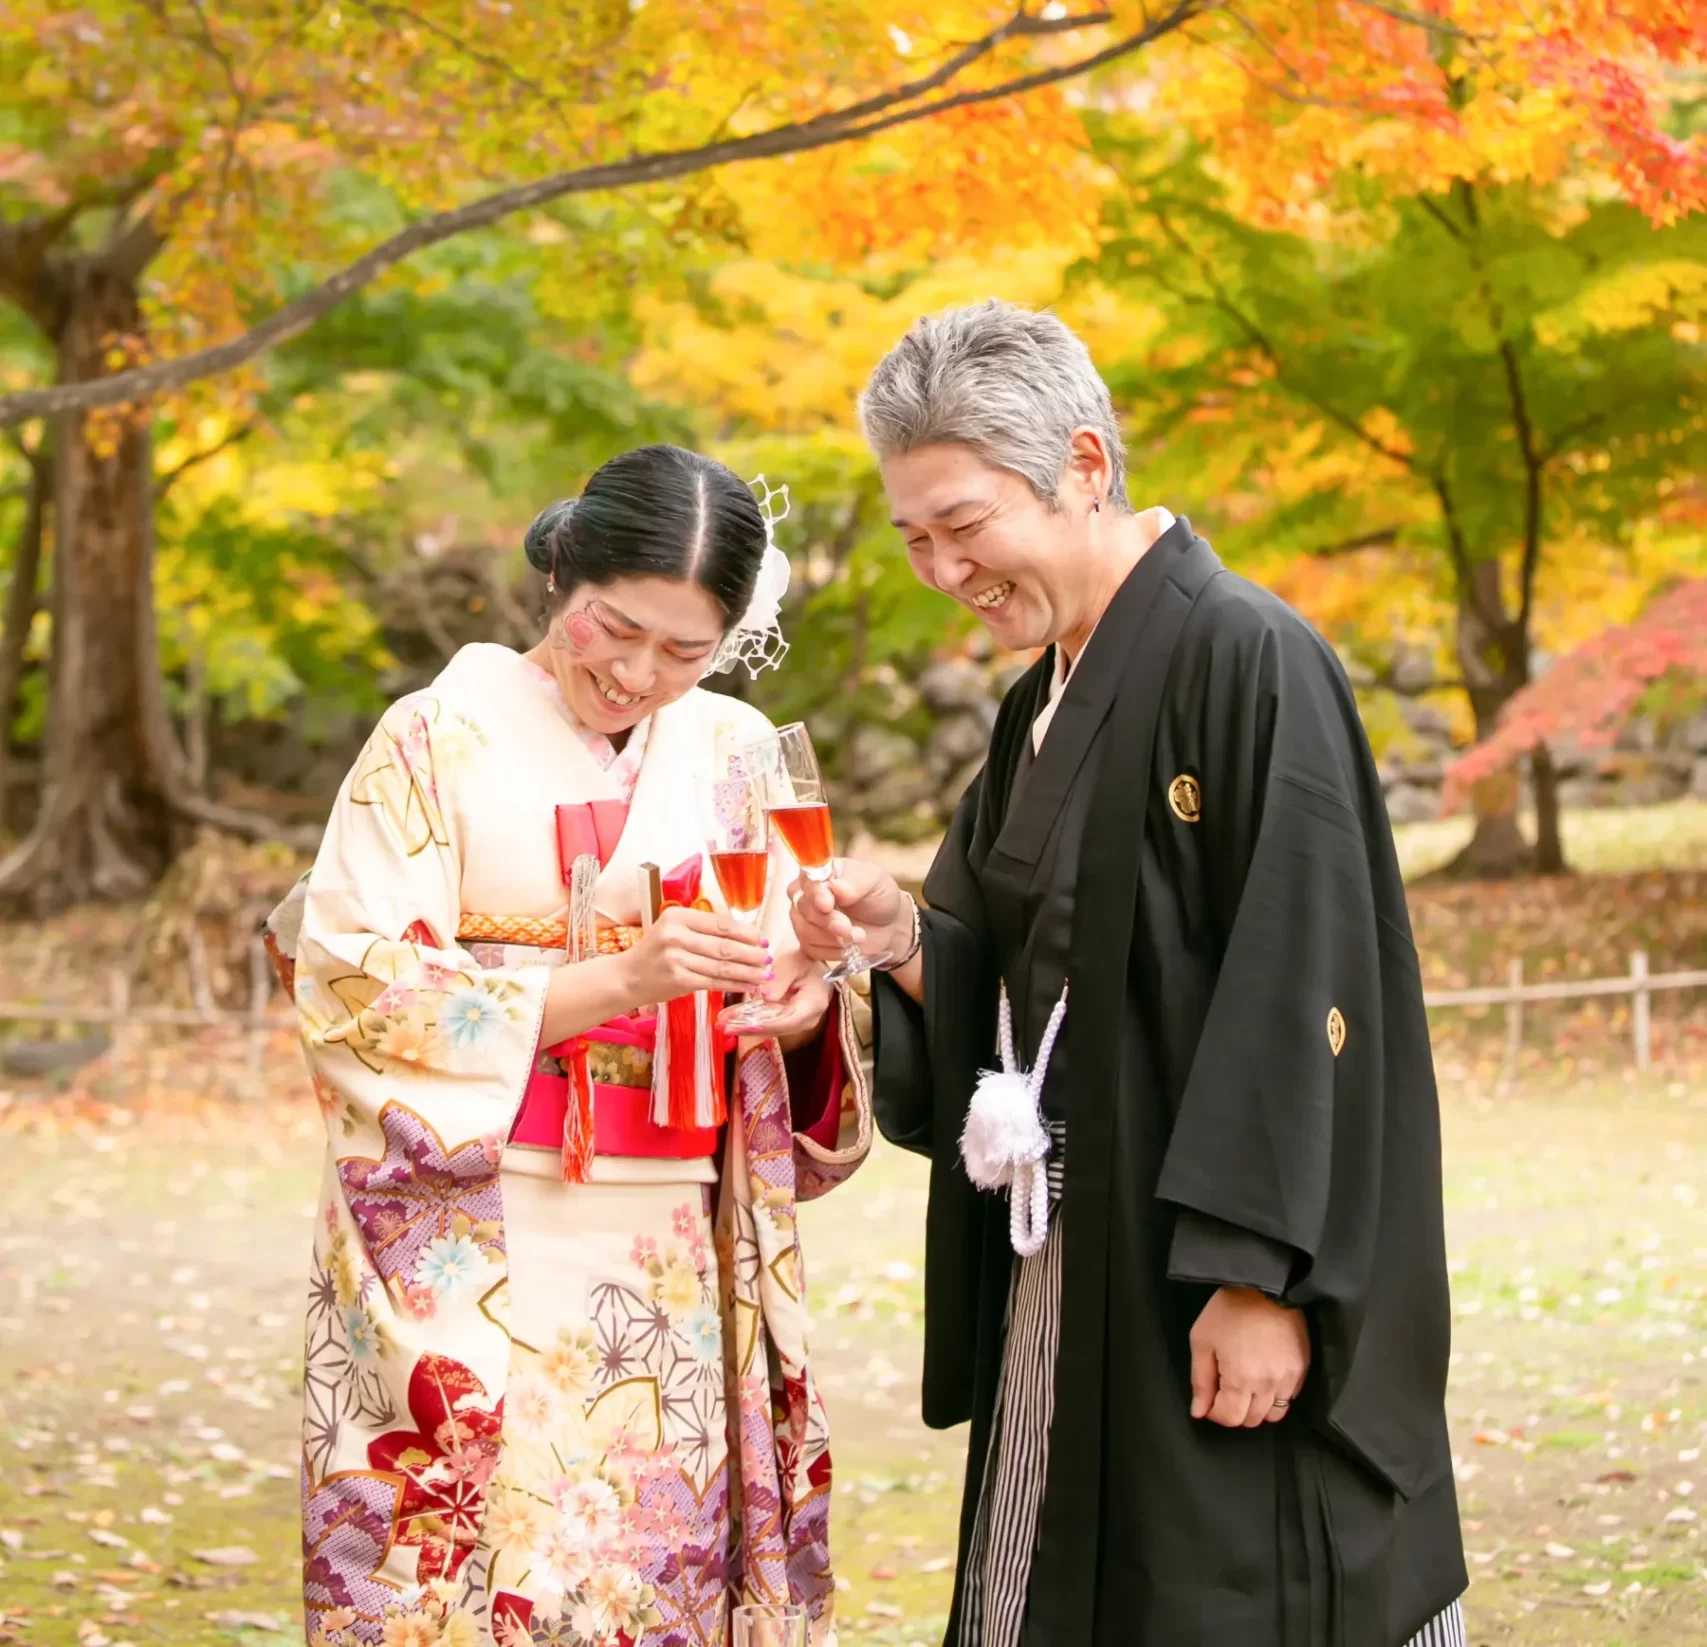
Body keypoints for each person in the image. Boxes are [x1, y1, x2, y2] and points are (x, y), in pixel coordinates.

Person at [789, 303, 1469, 1647]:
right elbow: (1009, 966)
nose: (938, 565)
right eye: (911, 533)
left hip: (1213, 1261)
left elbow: (1303, 980)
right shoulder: (1039, 691)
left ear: (1085, 466)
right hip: (1072, 1248)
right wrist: (898, 939)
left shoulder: (1243, 652)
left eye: (963, 521)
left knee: (1237, 1580)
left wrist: (1261, 1277)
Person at [265, 445, 871, 1647]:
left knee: (653, 1575)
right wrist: (608, 982)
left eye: (686, 652)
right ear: (560, 577)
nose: (640, 675)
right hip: (482, 1227)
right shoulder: (433, 736)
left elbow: (799, 982)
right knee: (486, 1571)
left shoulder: (741, 753)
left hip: (670, 1245)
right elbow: (347, 981)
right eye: (616, 628)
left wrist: (806, 1007)